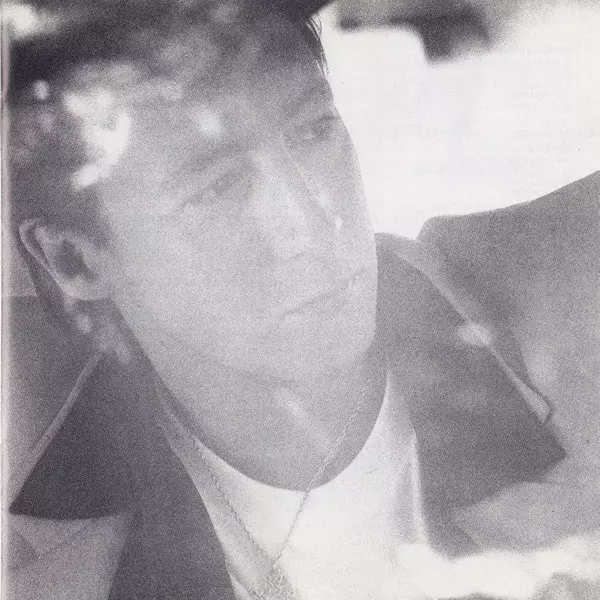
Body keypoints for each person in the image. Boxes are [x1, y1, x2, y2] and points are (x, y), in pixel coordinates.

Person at [4, 0, 599, 598]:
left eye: (315, 131)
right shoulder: (31, 567)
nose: (311, 217)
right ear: (73, 260)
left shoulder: (579, 293)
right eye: (216, 185)